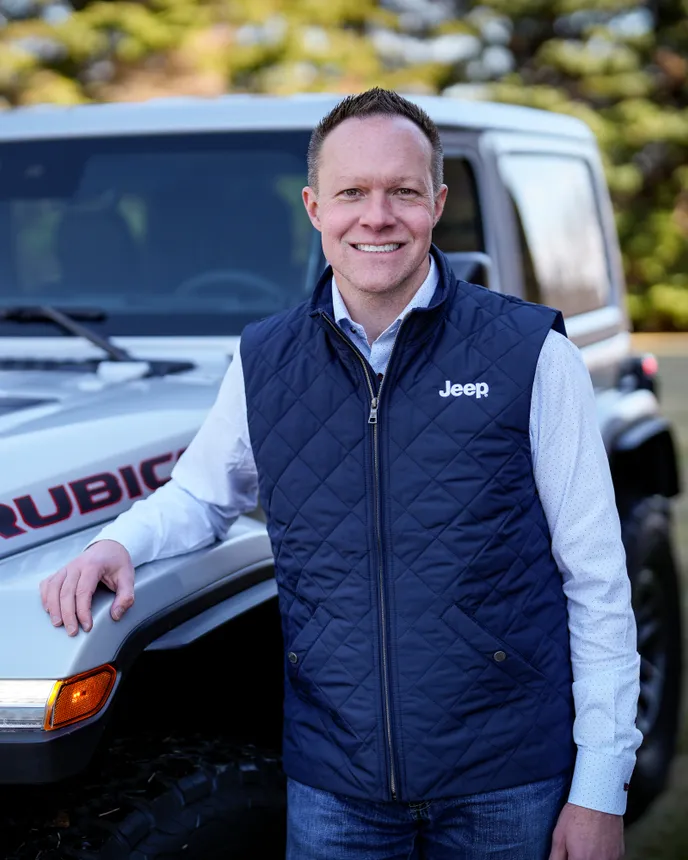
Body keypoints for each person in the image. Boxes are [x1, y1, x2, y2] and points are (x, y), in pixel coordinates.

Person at [40, 88, 641, 860]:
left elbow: (596, 583)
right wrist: (117, 544)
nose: (377, 216)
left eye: (403, 192)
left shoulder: (532, 355)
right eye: (353, 192)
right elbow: (200, 494)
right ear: (315, 207)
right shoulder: (263, 358)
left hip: (508, 780)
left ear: (438, 203)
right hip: (335, 789)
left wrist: (599, 791)